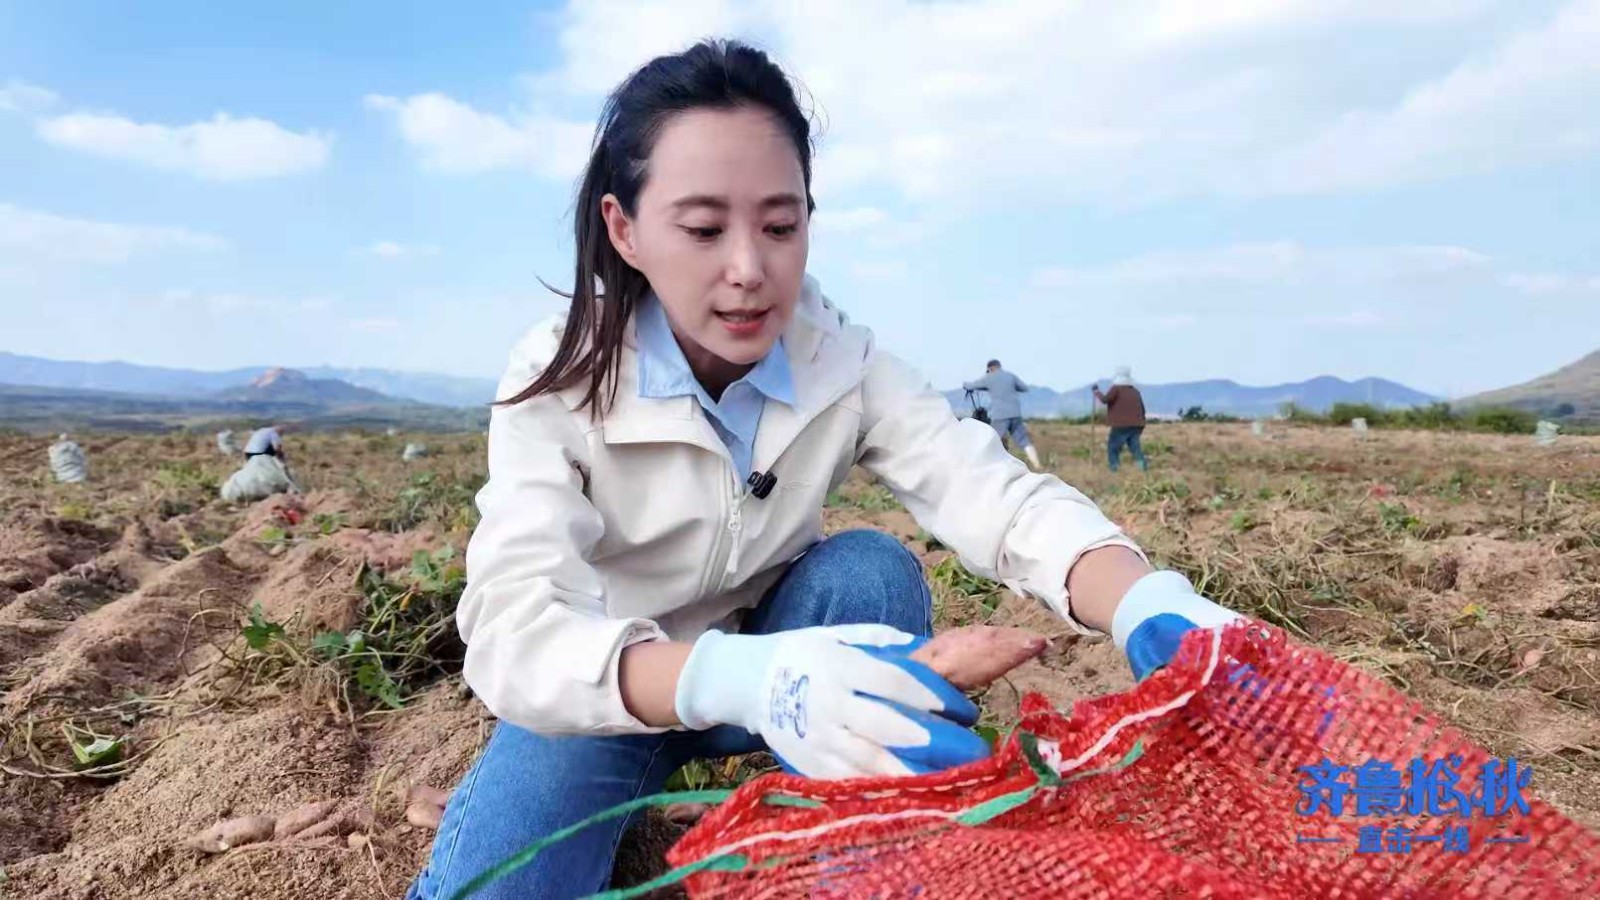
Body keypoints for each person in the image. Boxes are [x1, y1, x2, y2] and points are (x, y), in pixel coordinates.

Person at [404, 40, 1243, 900]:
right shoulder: (563, 377)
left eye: (780, 225)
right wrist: (739, 679)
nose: (749, 270)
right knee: (496, 887)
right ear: (625, 229)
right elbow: (515, 630)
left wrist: (1148, 601)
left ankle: (857, 853)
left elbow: (993, 495)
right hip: (615, 690)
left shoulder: (837, 360)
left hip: (794, 667)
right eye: (702, 229)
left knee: (869, 572)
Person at [963, 359, 1042, 470]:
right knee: (1024, 441)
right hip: (1015, 413)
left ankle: (983, 465)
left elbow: (971, 385)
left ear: (990, 368)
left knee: (992, 440)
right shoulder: (1010, 376)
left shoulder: (989, 377)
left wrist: (965, 384)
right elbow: (1024, 388)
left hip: (1000, 415)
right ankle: (1038, 466)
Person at [1093, 367, 1148, 472]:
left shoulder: (1116, 389)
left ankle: (1114, 470)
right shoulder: (1135, 391)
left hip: (1121, 425)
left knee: (1113, 448)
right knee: (1135, 448)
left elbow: (1105, 400)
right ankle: (1143, 471)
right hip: (1137, 425)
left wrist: (1096, 392)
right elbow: (1142, 408)